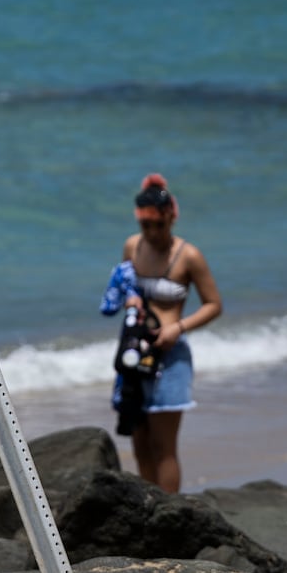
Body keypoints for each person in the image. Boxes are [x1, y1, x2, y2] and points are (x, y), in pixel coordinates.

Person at [104, 173, 222, 492]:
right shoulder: (132, 246)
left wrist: (178, 327)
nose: (153, 233)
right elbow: (125, 286)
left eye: (160, 225)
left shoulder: (189, 256)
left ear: (172, 216)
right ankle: (147, 510)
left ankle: (169, 514)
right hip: (135, 351)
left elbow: (214, 304)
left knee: (163, 447)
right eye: (147, 226)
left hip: (170, 357)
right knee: (139, 442)